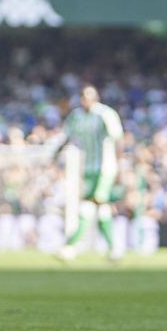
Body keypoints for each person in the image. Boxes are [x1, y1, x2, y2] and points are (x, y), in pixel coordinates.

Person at [56, 85, 123, 262]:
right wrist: (55, 154)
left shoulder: (105, 114)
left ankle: (70, 246)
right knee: (102, 209)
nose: (86, 100)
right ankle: (113, 249)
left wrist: (119, 165)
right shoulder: (76, 116)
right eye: (83, 97)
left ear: (96, 97)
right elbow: (66, 136)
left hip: (105, 168)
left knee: (89, 206)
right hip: (88, 168)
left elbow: (117, 139)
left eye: (89, 96)